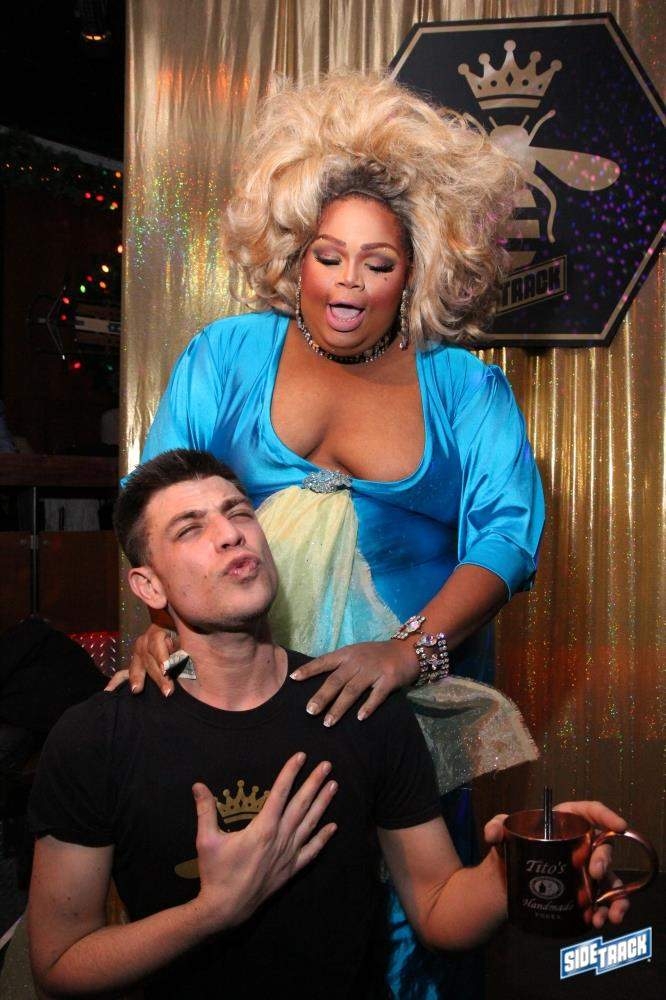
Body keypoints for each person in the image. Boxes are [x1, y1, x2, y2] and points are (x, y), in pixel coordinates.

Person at [117, 70, 546, 996]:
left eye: (378, 262)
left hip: (406, 716)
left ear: (415, 271)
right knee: (257, 923)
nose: (349, 281)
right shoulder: (228, 353)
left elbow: (508, 541)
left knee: (414, 934)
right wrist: (159, 622)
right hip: (250, 706)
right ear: (296, 255)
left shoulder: (465, 387)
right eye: (328, 254)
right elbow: (155, 501)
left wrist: (407, 654)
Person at [27, 451, 627, 1000]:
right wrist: (213, 910)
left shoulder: (359, 707)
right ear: (149, 585)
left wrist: (514, 869)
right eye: (190, 528)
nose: (231, 533)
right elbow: (58, 964)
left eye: (239, 512)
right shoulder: (97, 737)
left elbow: (439, 910)